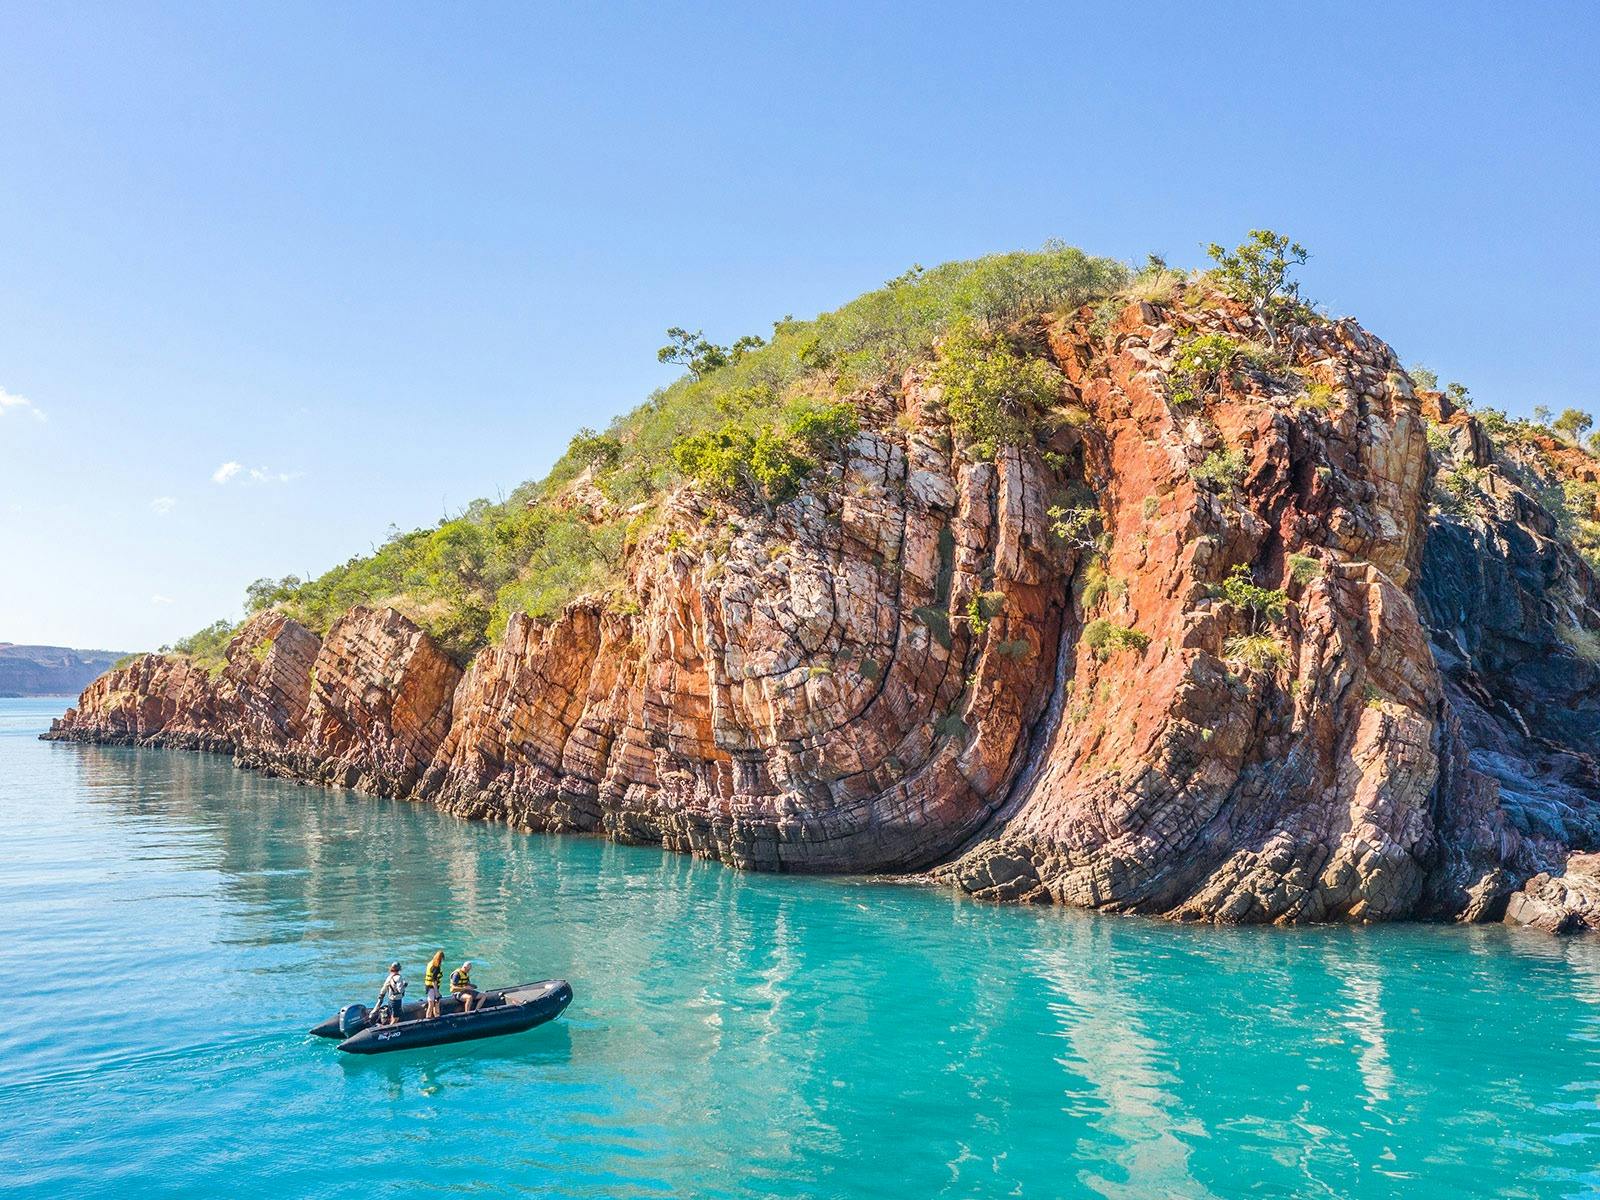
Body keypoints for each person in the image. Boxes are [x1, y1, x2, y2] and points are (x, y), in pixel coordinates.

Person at [375, 961, 408, 1026]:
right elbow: (400, 990)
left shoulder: (389, 977)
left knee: (392, 1015)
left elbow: (384, 989)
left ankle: (389, 1026)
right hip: (396, 1000)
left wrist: (381, 997)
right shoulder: (399, 977)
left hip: (390, 1000)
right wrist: (404, 985)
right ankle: (390, 1028)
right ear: (399, 969)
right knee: (396, 1018)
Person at [423, 950, 445, 1019]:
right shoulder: (436, 967)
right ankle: (428, 1017)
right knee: (432, 1003)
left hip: (429, 986)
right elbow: (434, 981)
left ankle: (436, 1016)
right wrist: (437, 993)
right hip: (432, 987)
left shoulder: (431, 963)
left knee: (435, 1002)